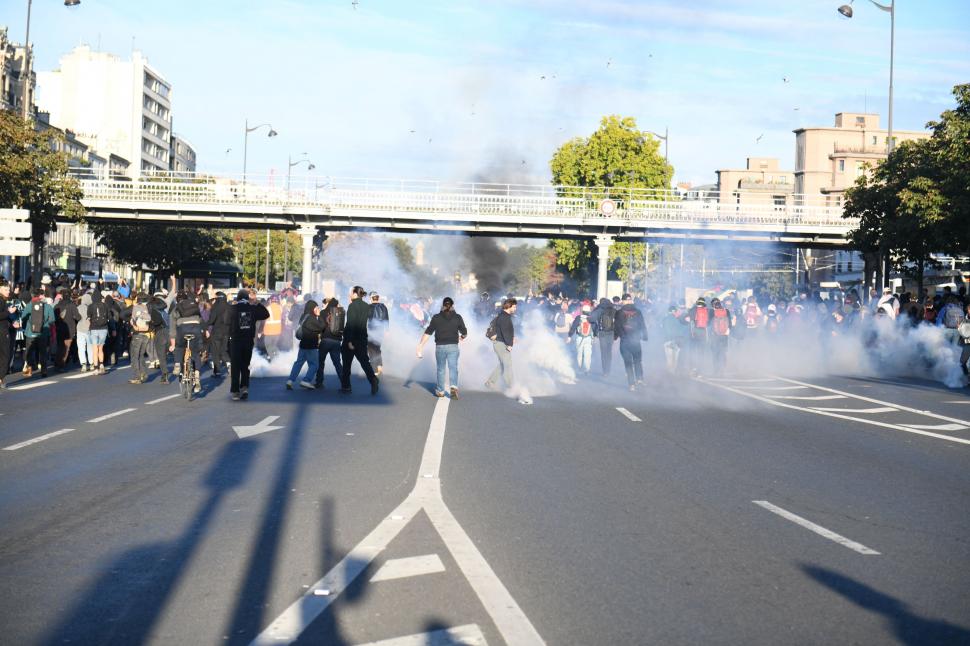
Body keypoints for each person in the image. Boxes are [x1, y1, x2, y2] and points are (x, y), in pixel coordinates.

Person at [416, 296, 468, 398]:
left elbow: (428, 332)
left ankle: (440, 391)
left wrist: (420, 345)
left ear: (442, 306)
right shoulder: (458, 317)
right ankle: (453, 386)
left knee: (441, 369)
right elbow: (465, 332)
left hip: (440, 347)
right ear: (453, 305)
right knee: (453, 368)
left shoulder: (436, 317)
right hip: (453, 346)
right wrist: (462, 337)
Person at [228, 288, 269, 400]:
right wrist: (257, 303)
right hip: (248, 341)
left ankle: (235, 391)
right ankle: (245, 387)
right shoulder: (252, 308)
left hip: (236, 340)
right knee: (245, 366)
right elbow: (266, 314)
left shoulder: (232, 308)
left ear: (238, 298)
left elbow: (225, 322)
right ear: (247, 298)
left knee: (235, 366)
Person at [341, 286, 379, 395]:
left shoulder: (352, 306)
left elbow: (350, 325)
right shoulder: (367, 306)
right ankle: (373, 380)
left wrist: (348, 341)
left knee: (347, 365)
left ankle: (346, 387)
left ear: (355, 294)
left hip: (351, 340)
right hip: (362, 339)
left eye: (350, 293)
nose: (349, 295)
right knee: (364, 362)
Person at [121, 293, 163, 384]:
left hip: (138, 334)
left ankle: (137, 376)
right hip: (148, 334)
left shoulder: (137, 307)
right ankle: (143, 374)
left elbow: (124, 315)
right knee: (141, 355)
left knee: (134, 356)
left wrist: (133, 324)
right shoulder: (150, 307)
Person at [169, 291, 204, 393]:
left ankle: (177, 365)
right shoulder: (194, 306)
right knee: (195, 352)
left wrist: (173, 344)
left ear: (177, 300)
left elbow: (172, 330)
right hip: (196, 327)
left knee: (180, 347)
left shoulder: (176, 309)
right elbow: (200, 320)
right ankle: (197, 376)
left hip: (183, 328)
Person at [287, 299, 325, 390]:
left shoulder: (304, 316)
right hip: (311, 345)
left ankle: (290, 380)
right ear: (312, 308)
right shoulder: (311, 318)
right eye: (316, 307)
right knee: (314, 364)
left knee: (298, 363)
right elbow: (321, 327)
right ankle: (306, 380)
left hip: (303, 345)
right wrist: (319, 316)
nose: (317, 309)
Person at [614, 293, 647, 391]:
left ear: (623, 301)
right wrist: (644, 336)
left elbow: (617, 326)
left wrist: (616, 336)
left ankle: (631, 384)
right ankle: (640, 378)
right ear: (631, 301)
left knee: (628, 363)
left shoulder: (619, 312)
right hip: (636, 341)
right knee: (637, 360)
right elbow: (642, 325)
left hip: (625, 341)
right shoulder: (638, 312)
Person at [21, 288, 55, 378]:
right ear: (41, 296)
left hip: (30, 332)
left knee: (29, 351)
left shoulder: (29, 305)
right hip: (43, 333)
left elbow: (23, 316)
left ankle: (29, 370)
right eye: (43, 295)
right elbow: (52, 319)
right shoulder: (48, 306)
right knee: (42, 352)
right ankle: (44, 371)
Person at [485, 297, 516, 391]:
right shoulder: (504, 317)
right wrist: (510, 344)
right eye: (514, 307)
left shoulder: (503, 316)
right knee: (508, 364)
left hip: (500, 343)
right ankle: (511, 386)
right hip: (501, 343)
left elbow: (507, 331)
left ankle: (490, 382)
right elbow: (505, 332)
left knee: (503, 364)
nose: (515, 309)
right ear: (509, 306)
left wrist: (512, 338)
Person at [315, 298, 345, 388]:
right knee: (337, 363)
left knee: (320, 362)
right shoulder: (341, 313)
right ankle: (345, 383)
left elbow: (320, 327)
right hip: (336, 341)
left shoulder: (323, 312)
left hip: (325, 340)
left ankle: (319, 382)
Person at [54, 289, 80, 370]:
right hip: (69, 330)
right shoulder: (72, 305)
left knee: (60, 347)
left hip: (58, 329)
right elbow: (78, 317)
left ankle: (57, 362)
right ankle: (61, 364)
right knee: (66, 348)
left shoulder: (57, 306)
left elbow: (54, 318)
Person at [566, 304, 595, 376]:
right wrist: (594, 336)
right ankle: (587, 369)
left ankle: (579, 368)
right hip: (588, 338)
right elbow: (595, 328)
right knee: (587, 354)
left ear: (583, 311)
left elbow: (573, 327)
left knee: (579, 354)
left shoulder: (578, 317)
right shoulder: (591, 318)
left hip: (579, 337)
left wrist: (569, 336)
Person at [685, 296, 711, 376]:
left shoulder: (692, 310)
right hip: (703, 334)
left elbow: (686, 319)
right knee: (701, 353)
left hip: (694, 334)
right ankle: (700, 371)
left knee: (692, 352)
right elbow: (708, 323)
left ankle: (692, 369)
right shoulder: (707, 310)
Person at [207, 291, 231, 377]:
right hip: (227, 332)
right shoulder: (229, 307)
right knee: (224, 350)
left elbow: (211, 320)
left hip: (217, 332)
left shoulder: (216, 307)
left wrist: (206, 326)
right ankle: (229, 364)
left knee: (215, 351)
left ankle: (217, 370)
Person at [590, 298, 616, 376]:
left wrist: (595, 332)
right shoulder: (613, 310)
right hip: (611, 333)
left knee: (603, 353)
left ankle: (605, 371)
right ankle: (609, 369)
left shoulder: (599, 309)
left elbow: (592, 319)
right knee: (609, 352)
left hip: (602, 334)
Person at [367, 292, 390, 377]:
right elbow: (386, 319)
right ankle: (380, 366)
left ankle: (374, 370)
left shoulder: (368, 307)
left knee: (371, 351)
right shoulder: (383, 307)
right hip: (381, 331)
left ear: (371, 298)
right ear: (378, 298)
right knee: (377, 349)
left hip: (371, 331)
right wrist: (387, 331)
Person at [709, 297, 732, 376]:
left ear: (713, 305)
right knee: (723, 352)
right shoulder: (726, 311)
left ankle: (716, 370)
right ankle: (722, 369)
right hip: (725, 336)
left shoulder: (712, 312)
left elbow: (709, 323)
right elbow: (730, 324)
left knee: (715, 353)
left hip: (715, 336)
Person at [661, 304, 687, 375]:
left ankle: (670, 375)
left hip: (667, 341)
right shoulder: (676, 319)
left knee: (669, 359)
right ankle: (672, 373)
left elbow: (662, 330)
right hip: (676, 341)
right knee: (675, 359)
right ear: (673, 311)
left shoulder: (664, 319)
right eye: (675, 311)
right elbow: (680, 330)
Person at [0, 279, 15, 389]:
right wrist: (9, 312)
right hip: (2, 332)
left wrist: (12, 323)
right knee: (6, 355)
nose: (8, 292)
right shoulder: (1, 301)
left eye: (9, 290)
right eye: (5, 290)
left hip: (4, 329)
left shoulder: (3, 300)